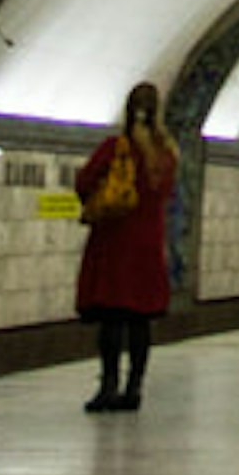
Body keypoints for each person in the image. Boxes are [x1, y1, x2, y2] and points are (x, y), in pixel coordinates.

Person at [74, 78, 182, 411]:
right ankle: (134, 389)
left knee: (112, 318)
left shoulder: (116, 147)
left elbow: (84, 182)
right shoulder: (168, 154)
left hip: (115, 241)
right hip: (149, 244)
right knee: (140, 320)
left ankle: (108, 386)